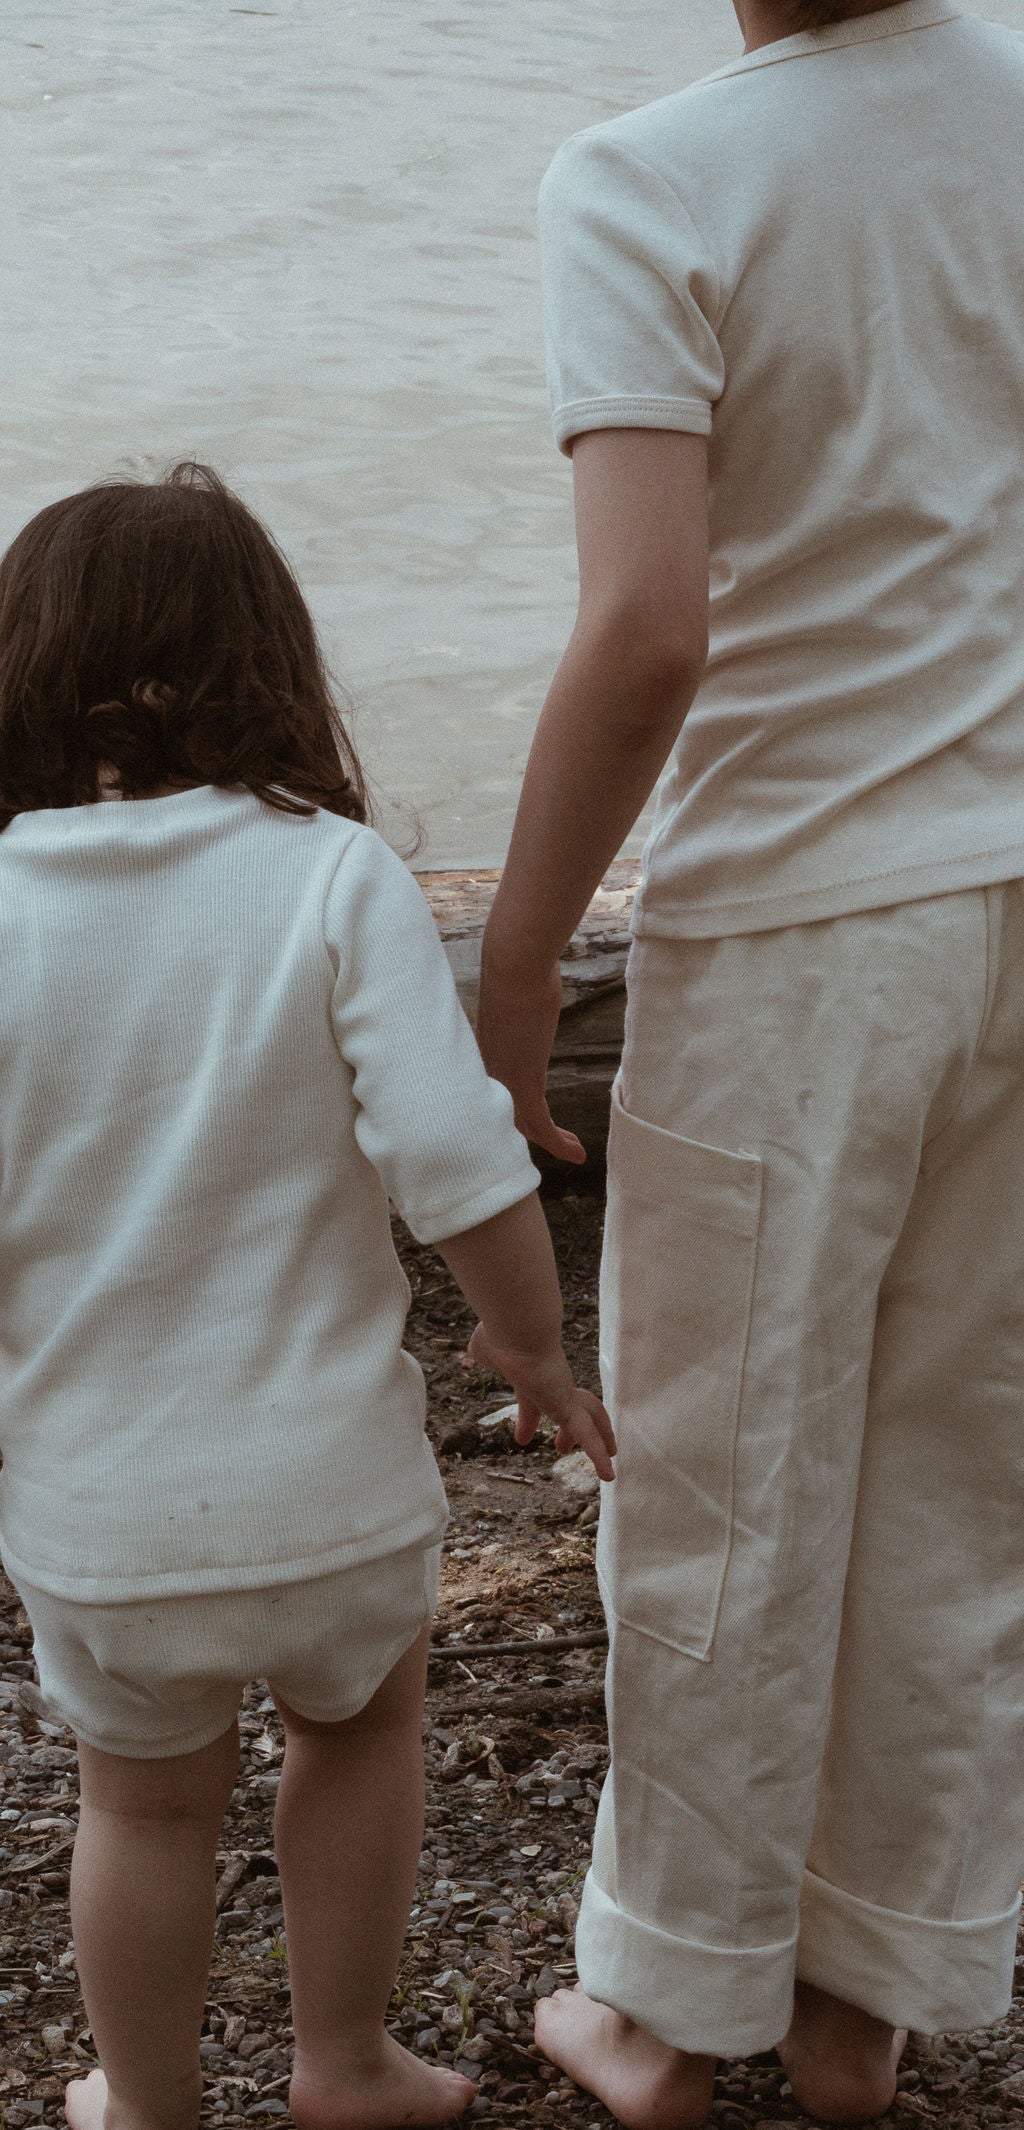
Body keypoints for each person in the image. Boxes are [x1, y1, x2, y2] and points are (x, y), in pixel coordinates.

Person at [475, 0, 1024, 2123]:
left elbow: (647, 630)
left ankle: (668, 2007)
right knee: (950, 1469)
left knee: (720, 1477)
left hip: (803, 916)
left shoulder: (652, 173)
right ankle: (857, 2005)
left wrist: (513, 962)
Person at [0, 462, 615, 2130]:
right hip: (335, 1496)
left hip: (103, 1514)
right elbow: (456, 1155)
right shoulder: (331, 872)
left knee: (138, 1810)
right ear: (269, 663)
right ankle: (344, 2064)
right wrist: (532, 1344)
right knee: (360, 1733)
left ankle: (150, 2105)